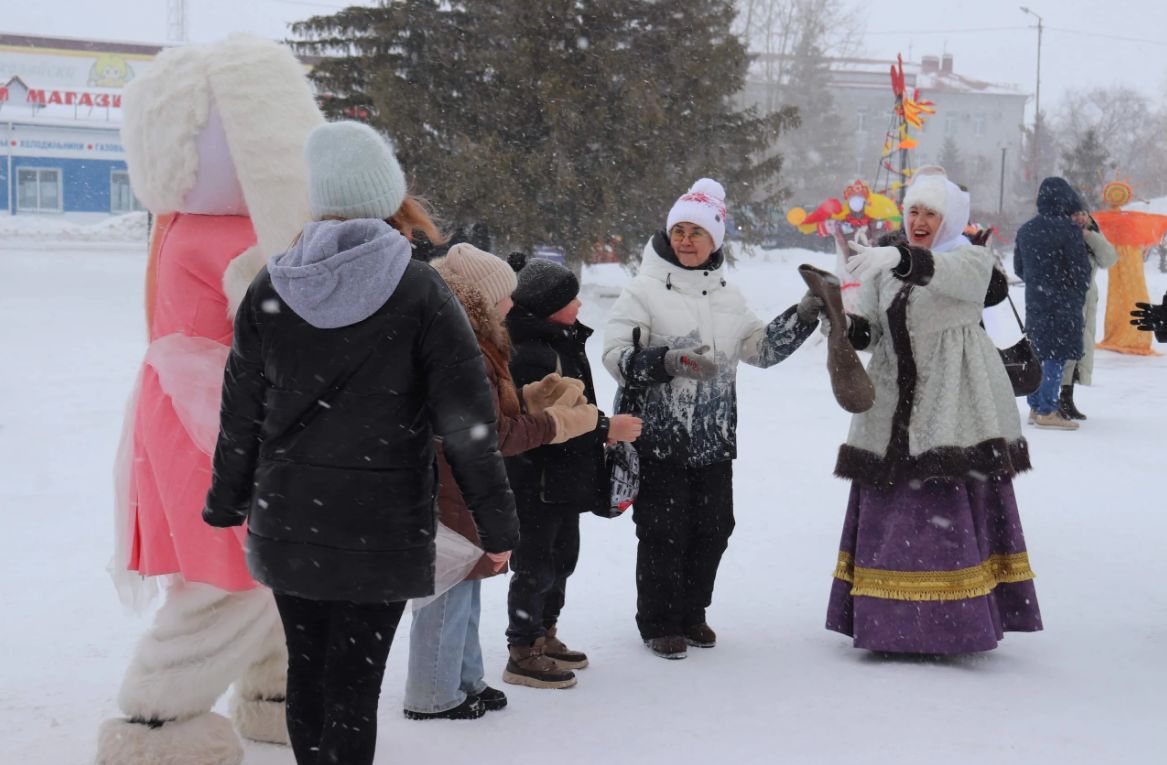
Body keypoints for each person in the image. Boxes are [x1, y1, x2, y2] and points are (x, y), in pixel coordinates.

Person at [202, 121, 518, 765]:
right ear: (387, 197)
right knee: (353, 687)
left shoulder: (272, 288)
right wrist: (497, 522)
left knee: (309, 676)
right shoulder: (422, 291)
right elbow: (468, 423)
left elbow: (240, 414)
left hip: (289, 519)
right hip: (382, 527)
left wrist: (228, 500)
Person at [98, 36, 323, 765]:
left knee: (261, 564)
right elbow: (294, 328)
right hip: (223, 420)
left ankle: (273, 693)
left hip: (193, 412)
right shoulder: (243, 242)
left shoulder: (178, 228)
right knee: (235, 570)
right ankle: (157, 717)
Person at [825, 166, 1041, 654]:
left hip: (953, 402)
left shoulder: (971, 260)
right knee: (893, 510)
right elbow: (874, 330)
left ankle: (951, 624)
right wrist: (842, 325)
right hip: (893, 402)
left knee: (944, 507)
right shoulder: (887, 267)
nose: (920, 221)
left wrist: (898, 256)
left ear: (951, 220)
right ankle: (887, 623)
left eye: (931, 213)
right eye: (914, 212)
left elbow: (938, 273)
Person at [602, 178, 817, 660]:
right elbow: (615, 354)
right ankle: (659, 621)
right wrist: (666, 362)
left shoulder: (727, 296)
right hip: (657, 436)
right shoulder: (644, 289)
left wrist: (802, 316)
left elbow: (760, 350)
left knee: (714, 527)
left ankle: (693, 613)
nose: (685, 240)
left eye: (696, 232)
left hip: (713, 439)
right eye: (678, 230)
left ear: (715, 239)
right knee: (663, 530)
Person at [403, 244, 599, 718]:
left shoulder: (472, 338)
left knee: (465, 591)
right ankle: (431, 695)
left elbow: (483, 417)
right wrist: (552, 422)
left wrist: (527, 403)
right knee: (445, 597)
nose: (514, 304)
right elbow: (483, 432)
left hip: (462, 484)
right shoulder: (458, 345)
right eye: (506, 297)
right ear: (483, 301)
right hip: (448, 484)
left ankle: (464, 679)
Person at [504, 254, 643, 685]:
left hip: (563, 481)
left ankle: (545, 633)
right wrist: (606, 428)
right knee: (536, 563)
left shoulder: (560, 341)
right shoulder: (532, 354)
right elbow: (550, 423)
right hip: (538, 482)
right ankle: (523, 648)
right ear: (548, 306)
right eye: (571, 297)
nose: (580, 304)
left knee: (562, 559)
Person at [1013, 177, 1093, 430]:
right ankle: (1047, 409)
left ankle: (1036, 405)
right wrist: (1075, 291)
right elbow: (1081, 270)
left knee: (1038, 353)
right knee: (1056, 355)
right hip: (1063, 302)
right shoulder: (1069, 230)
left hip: (1036, 300)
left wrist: (1038, 282)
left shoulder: (1026, 230)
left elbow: (1018, 267)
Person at [1059, 211, 1118, 419]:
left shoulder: (1091, 233)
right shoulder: (1060, 233)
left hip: (1087, 300)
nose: (1080, 218)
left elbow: (1109, 258)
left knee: (1079, 350)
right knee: (1063, 349)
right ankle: (1053, 400)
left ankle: (1067, 398)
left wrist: (1089, 235)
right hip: (1066, 299)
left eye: (1083, 213)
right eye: (1075, 214)